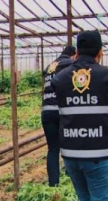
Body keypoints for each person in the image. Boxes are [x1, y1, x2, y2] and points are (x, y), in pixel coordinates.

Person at [51, 31, 108, 201]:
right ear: (100, 52)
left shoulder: (60, 78)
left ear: (76, 52)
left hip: (71, 153)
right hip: (97, 153)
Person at [41, 45, 76, 187]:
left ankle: (53, 183)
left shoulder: (50, 66)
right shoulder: (70, 64)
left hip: (47, 110)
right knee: (69, 144)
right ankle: (71, 175)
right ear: (74, 55)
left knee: (53, 148)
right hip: (62, 111)